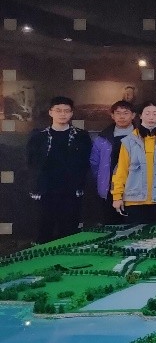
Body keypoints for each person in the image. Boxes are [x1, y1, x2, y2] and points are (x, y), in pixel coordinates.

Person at [27, 96, 93, 242]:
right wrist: (35, 186)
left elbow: (86, 163)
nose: (62, 114)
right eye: (58, 110)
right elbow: (31, 163)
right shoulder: (39, 137)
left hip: (71, 192)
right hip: (45, 192)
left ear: (71, 113)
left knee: (70, 233)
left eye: (66, 111)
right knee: (43, 231)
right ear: (50, 112)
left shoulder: (81, 136)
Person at [111, 101, 156, 224]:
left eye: (155, 113)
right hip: (134, 200)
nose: (151, 117)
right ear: (140, 116)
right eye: (147, 113)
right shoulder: (129, 141)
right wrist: (117, 196)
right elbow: (121, 170)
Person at [90, 100, 136, 224]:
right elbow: (94, 163)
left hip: (136, 188)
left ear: (133, 115)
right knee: (111, 224)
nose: (122, 117)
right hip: (109, 188)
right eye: (118, 113)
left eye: (125, 113)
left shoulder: (141, 136)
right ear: (112, 116)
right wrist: (102, 178)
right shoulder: (103, 138)